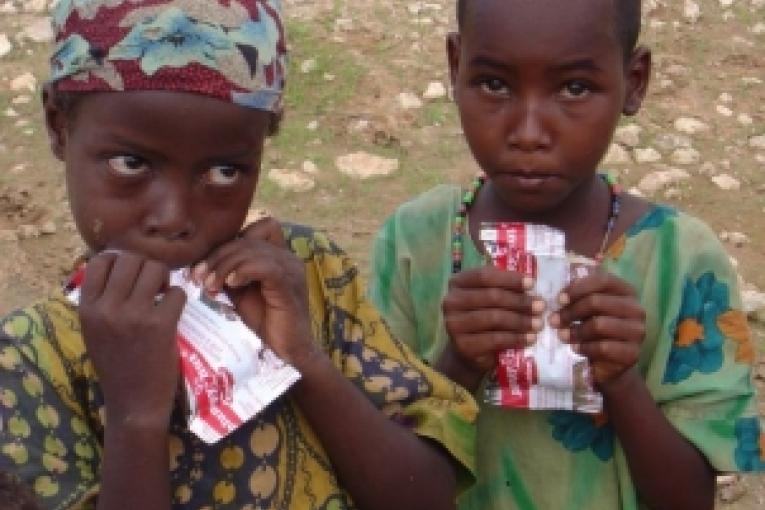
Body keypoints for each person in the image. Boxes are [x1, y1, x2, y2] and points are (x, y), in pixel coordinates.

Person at [0, 1, 478, 509]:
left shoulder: (306, 278)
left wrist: (305, 361)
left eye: (225, 172)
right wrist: (134, 417)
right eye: (131, 163)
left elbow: (426, 495)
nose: (175, 217)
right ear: (58, 125)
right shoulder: (29, 359)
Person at [368, 1, 765, 509]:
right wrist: (457, 368)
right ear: (454, 66)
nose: (529, 133)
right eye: (494, 84)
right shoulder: (414, 242)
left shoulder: (681, 260)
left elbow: (690, 499)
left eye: (574, 88)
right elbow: (380, 482)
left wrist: (622, 381)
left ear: (634, 81)